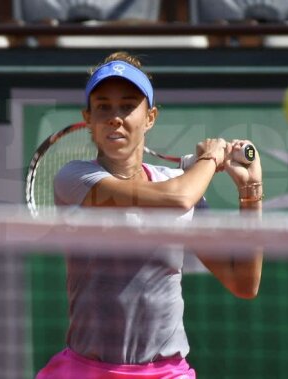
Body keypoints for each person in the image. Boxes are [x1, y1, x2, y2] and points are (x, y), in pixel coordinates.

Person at [36, 51, 263, 379]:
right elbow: (179, 197)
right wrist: (211, 160)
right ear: (88, 119)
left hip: (166, 373)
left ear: (150, 117)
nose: (116, 117)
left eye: (128, 105)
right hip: (85, 370)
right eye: (103, 107)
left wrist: (251, 192)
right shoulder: (74, 178)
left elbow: (244, 283)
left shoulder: (175, 181)